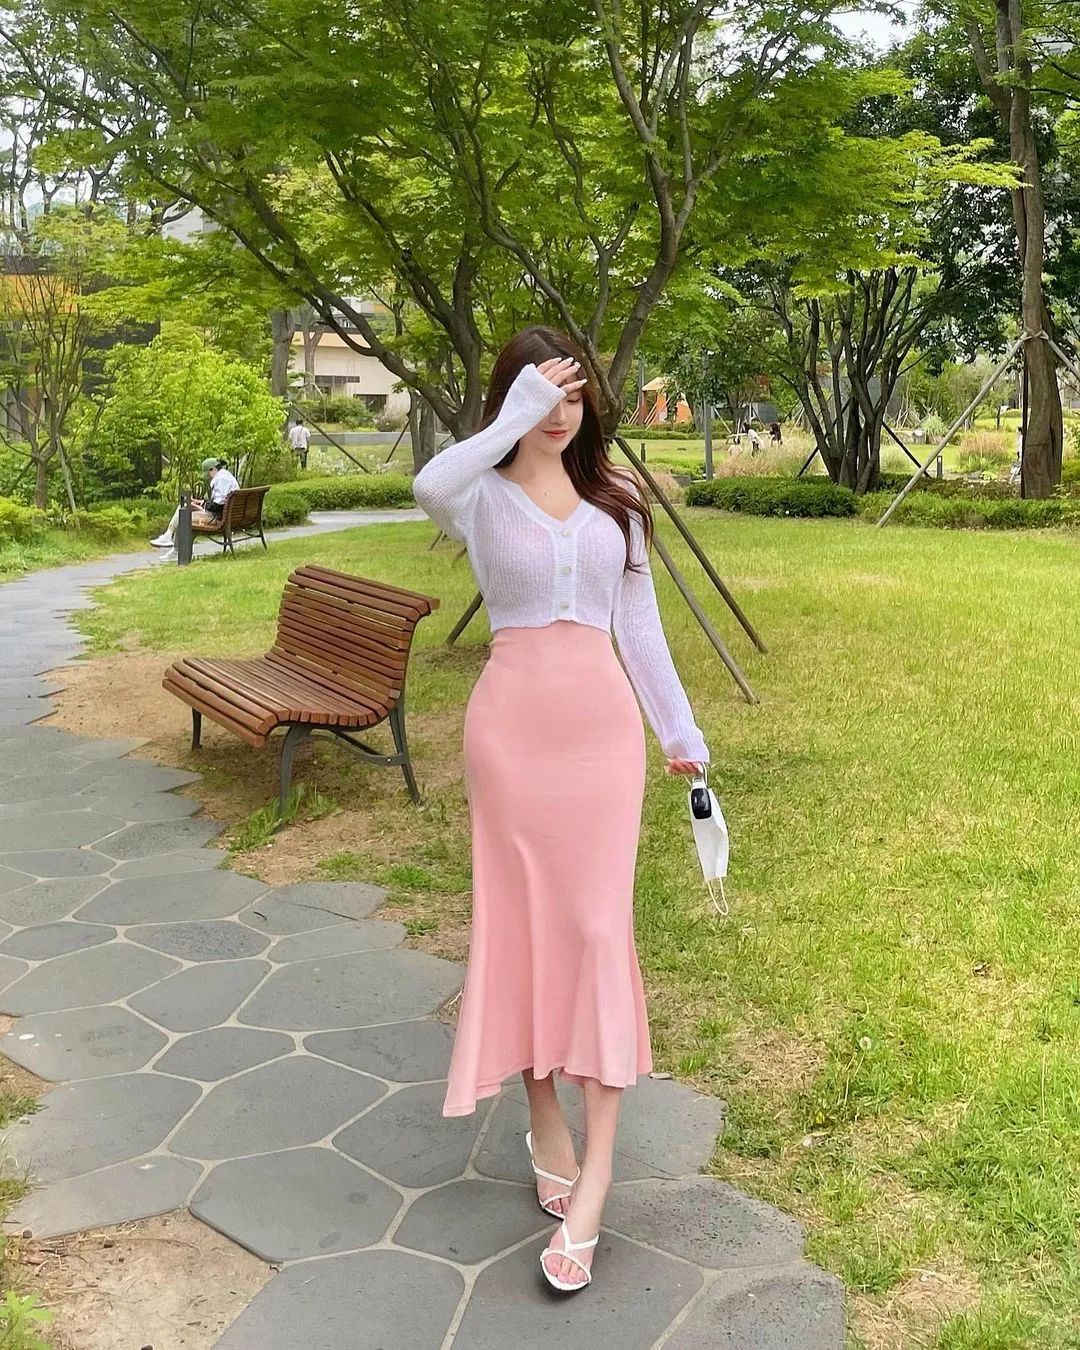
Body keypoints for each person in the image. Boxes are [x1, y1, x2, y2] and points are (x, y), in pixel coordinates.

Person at [412, 327, 709, 1295]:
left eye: (574, 394)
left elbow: (642, 628)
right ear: (514, 401)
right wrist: (512, 418)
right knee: (525, 932)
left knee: (594, 932)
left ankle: (600, 1176)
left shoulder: (616, 506)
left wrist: (680, 729)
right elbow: (427, 484)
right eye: (544, 393)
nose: (561, 411)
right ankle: (544, 1117)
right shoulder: (480, 495)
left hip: (600, 741)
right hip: (509, 739)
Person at [150, 458, 240, 561]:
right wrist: (201, 502)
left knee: (184, 515)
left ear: (213, 469)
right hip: (229, 516)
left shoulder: (220, 479)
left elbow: (217, 506)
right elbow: (220, 502)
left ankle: (175, 548)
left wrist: (201, 506)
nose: (209, 477)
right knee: (185, 507)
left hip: (219, 518)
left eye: (208, 473)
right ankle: (169, 536)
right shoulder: (226, 476)